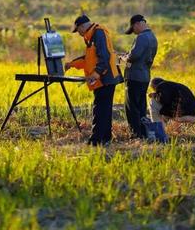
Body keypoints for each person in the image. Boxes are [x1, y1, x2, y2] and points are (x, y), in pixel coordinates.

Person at [65, 15, 123, 146]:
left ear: (82, 26)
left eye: (78, 30)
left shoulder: (98, 33)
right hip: (104, 78)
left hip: (105, 78)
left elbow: (104, 56)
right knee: (104, 109)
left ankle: (96, 141)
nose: (78, 33)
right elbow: (88, 58)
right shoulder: (91, 36)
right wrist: (72, 64)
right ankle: (105, 138)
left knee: (100, 110)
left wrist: (96, 74)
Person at [120, 14, 158, 139]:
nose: (134, 32)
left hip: (134, 76)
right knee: (141, 107)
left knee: (132, 107)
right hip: (145, 76)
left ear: (137, 24)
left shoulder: (141, 37)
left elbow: (134, 56)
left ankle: (136, 134)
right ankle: (143, 132)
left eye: (133, 29)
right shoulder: (152, 37)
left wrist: (124, 57)